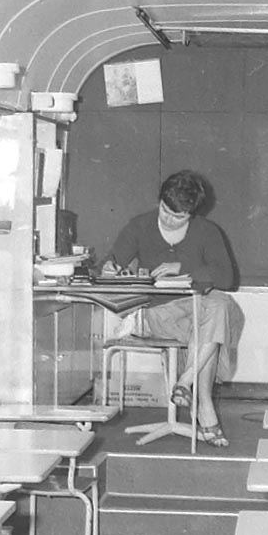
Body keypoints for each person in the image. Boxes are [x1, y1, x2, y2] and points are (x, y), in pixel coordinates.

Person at [100, 170, 237, 446]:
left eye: (179, 217)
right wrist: (109, 268)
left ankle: (185, 383)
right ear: (159, 201)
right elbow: (109, 265)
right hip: (154, 313)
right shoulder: (139, 226)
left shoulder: (207, 231)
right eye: (165, 210)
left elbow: (227, 278)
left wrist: (184, 267)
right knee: (215, 319)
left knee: (218, 307)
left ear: (192, 214)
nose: (169, 220)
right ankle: (201, 401)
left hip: (194, 310)